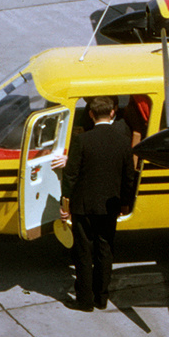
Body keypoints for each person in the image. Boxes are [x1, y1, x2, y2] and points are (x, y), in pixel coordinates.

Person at [59, 96, 135, 311]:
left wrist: (65, 204)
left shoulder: (82, 141)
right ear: (113, 113)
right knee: (105, 250)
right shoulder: (122, 140)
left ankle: (84, 301)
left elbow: (71, 175)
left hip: (84, 206)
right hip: (110, 206)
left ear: (91, 115)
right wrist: (125, 203)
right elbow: (129, 177)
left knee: (83, 253)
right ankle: (101, 298)